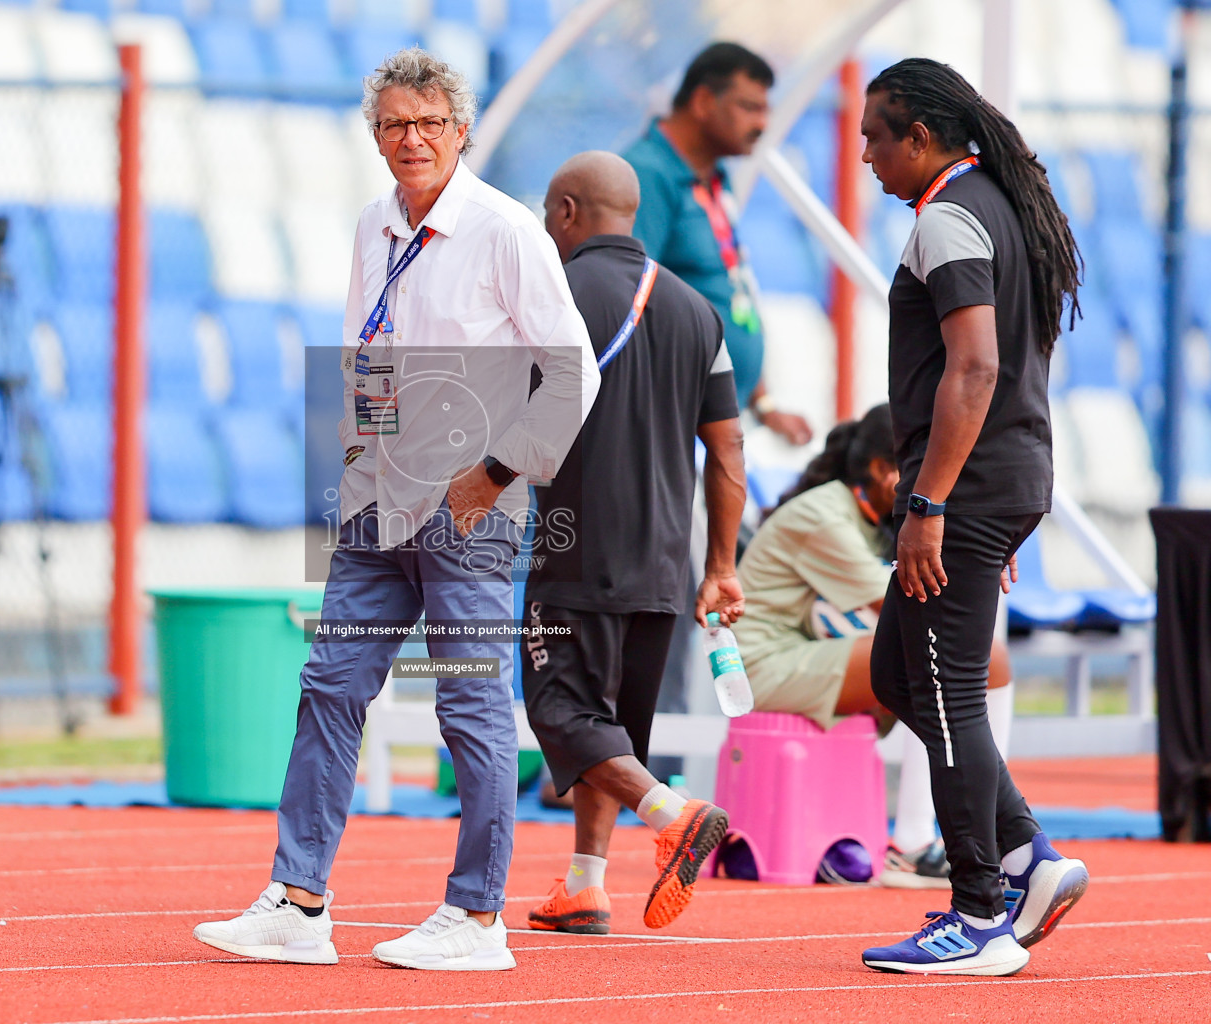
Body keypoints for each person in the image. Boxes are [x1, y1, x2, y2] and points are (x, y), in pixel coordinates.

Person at [193, 49, 599, 972]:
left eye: (428, 124)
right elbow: (365, 350)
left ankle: (477, 918)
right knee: (329, 693)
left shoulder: (502, 231)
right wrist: (357, 460)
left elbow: (574, 368)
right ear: (374, 136)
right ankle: (299, 903)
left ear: (461, 130)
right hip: (377, 508)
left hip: (469, 514)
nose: (411, 140)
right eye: (393, 126)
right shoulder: (376, 223)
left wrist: (496, 473)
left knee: (470, 705)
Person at [855, 58, 1088, 976]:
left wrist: (934, 505)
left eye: (877, 135)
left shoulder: (950, 216)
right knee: (897, 675)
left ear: (920, 138)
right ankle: (1029, 855)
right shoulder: (1002, 205)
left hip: (970, 484)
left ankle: (980, 912)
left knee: (944, 697)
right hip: (1005, 477)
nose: (867, 153)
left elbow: (978, 368)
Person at [520, 151, 747, 935]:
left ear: (567, 213)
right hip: (664, 562)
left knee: (562, 708)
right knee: (610, 724)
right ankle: (586, 883)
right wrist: (718, 567)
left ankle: (673, 815)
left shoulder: (554, 295)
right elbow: (727, 452)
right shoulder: (696, 311)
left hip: (576, 550)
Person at [622, 42, 814, 772]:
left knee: (681, 585)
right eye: (749, 105)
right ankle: (622, 755)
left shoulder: (709, 180)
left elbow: (717, 294)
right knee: (662, 588)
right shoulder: (648, 177)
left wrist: (758, 398)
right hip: (663, 422)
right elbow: (629, 304)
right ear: (703, 100)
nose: (762, 122)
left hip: (710, 418)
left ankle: (638, 753)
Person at [731, 405, 1018, 888]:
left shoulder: (861, 514)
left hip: (803, 652)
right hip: (764, 666)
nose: (938, 485)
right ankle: (914, 843)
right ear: (888, 473)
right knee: (969, 658)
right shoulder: (824, 517)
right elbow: (910, 609)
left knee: (965, 660)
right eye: (927, 470)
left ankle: (964, 833)